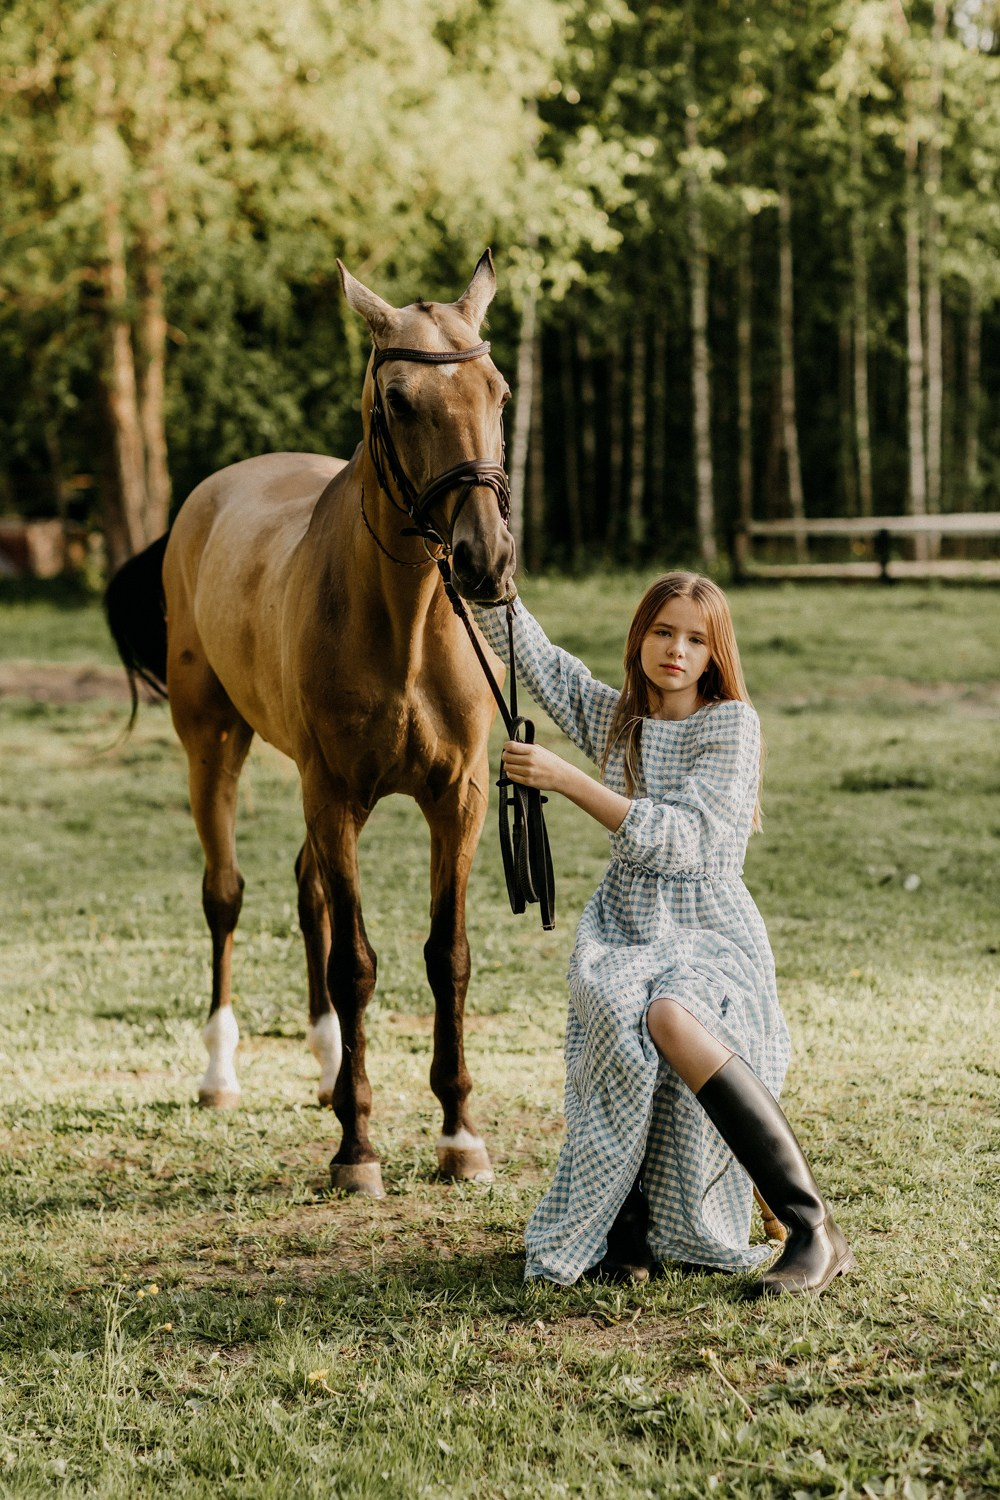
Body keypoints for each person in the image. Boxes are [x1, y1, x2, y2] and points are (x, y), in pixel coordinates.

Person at [470, 572, 853, 1298]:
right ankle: (627, 1224)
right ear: (640, 636)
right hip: (627, 924)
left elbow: (691, 845)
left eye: (695, 639)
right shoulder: (619, 720)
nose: (676, 650)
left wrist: (569, 780)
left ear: (715, 654)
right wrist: (490, 587)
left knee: (671, 1013)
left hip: (709, 928)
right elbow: (543, 663)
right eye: (662, 631)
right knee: (616, 1010)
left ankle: (814, 1229)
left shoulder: (731, 725)